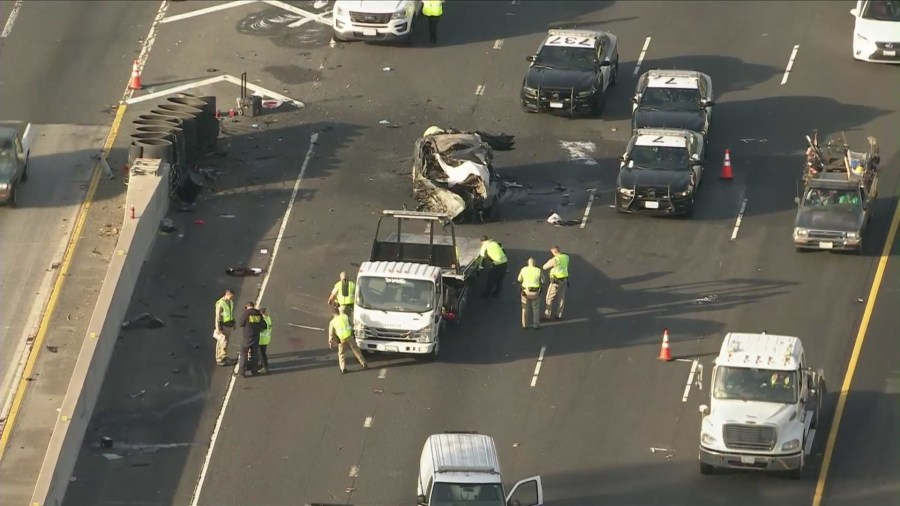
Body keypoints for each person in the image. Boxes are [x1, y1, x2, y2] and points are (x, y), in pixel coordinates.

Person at [329, 306, 367, 374]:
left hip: (341, 339)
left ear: (332, 314)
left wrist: (330, 342)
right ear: (338, 311)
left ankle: (343, 368)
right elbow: (352, 324)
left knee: (341, 354)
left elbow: (331, 334)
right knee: (356, 350)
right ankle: (363, 362)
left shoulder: (332, 322)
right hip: (349, 336)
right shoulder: (345, 316)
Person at [237, 301, 267, 377]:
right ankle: (254, 371)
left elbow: (241, 323)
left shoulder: (246, 313)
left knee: (243, 354)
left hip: (247, 337)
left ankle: (242, 372)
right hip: (256, 337)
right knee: (254, 355)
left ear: (247, 306)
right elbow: (264, 325)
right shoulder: (258, 313)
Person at [542, 246, 569, 321]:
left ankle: (547, 315)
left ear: (554, 252)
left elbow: (544, 267)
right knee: (561, 298)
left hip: (556, 281)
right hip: (564, 280)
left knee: (549, 297)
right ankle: (559, 315)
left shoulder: (555, 260)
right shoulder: (566, 257)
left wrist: (550, 260)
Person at [517, 258, 544, 330]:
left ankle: (524, 325)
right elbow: (543, 280)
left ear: (528, 263)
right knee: (536, 308)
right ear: (534, 263)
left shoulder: (523, 269)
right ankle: (536, 325)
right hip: (535, 292)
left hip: (525, 291)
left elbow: (519, 279)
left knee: (525, 308)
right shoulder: (538, 270)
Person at [213, 289, 236, 366]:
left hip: (228, 325)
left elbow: (230, 313)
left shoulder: (230, 302)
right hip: (222, 325)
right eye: (231, 296)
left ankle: (224, 356)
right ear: (227, 294)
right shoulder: (220, 303)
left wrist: (234, 323)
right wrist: (218, 327)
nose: (232, 298)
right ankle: (219, 358)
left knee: (226, 342)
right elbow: (218, 316)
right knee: (221, 341)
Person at [258, 307, 273, 374]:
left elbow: (260, 329)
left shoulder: (263, 321)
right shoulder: (268, 318)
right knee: (263, 353)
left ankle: (265, 367)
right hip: (266, 339)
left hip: (261, 340)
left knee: (261, 354)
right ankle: (262, 365)